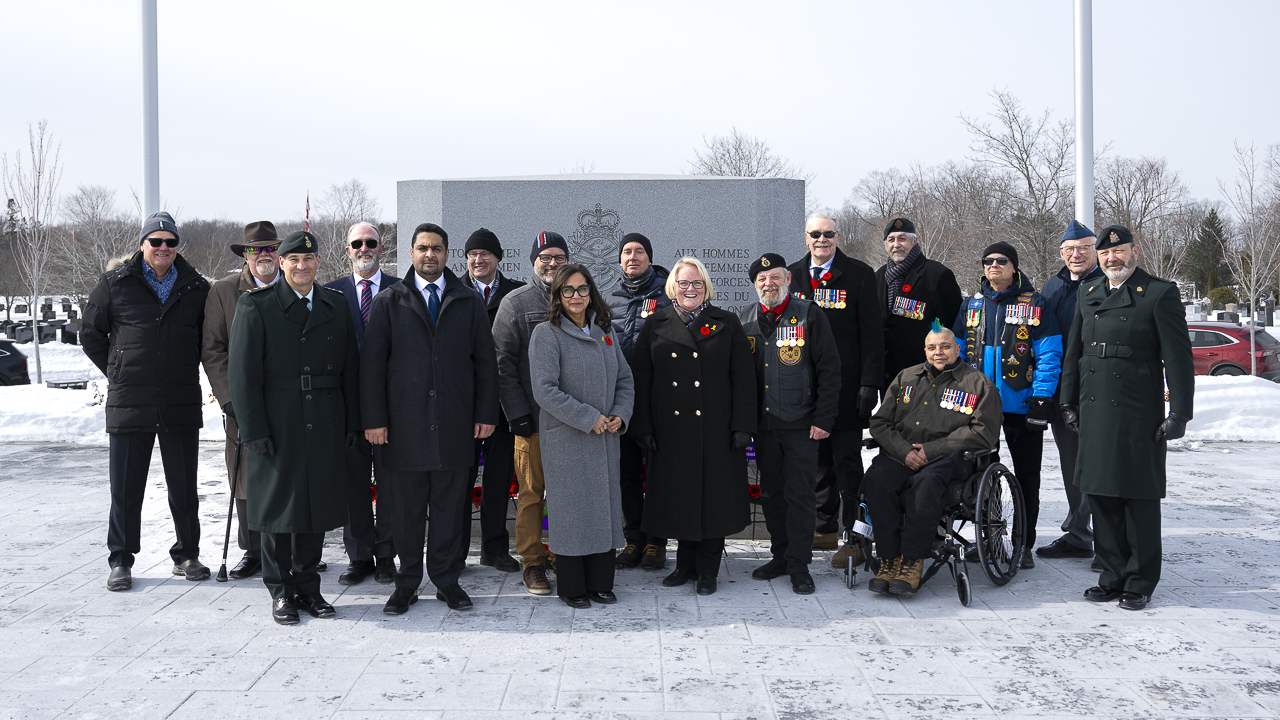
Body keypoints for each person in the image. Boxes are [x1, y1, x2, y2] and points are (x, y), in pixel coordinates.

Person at [360, 223, 498, 614]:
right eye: (423, 248)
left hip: (455, 425)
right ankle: (406, 583)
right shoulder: (390, 301)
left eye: (437, 248)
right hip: (404, 429)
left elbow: (485, 363)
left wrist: (486, 412)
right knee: (405, 513)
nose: (429, 254)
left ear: (447, 254)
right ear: (411, 253)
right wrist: (374, 420)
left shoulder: (467, 301)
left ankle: (446, 580)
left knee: (449, 510)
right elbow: (372, 367)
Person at [228, 230, 359, 625]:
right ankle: (281, 591)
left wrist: (352, 421)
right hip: (278, 421)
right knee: (278, 513)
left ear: (318, 262)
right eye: (294, 260)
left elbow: (351, 368)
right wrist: (253, 428)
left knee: (315, 510)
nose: (302, 266)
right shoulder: (256, 305)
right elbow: (242, 375)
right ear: (282, 263)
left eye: (309, 259)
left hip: (325, 419)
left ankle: (308, 588)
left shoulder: (336, 304)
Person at [1060, 225, 1194, 611]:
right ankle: (1111, 574)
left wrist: (1180, 413)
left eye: (1118, 252)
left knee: (1138, 497)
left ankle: (1140, 580)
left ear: (1135, 252)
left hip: (1138, 411)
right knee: (1101, 495)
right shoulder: (1089, 292)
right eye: (1105, 254)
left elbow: (1178, 359)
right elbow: (1075, 352)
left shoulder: (1159, 293)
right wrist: (1068, 401)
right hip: (1094, 407)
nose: (1111, 258)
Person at [81, 211, 212, 591]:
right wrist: (119, 369)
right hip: (130, 401)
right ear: (142, 244)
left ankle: (187, 554)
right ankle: (121, 560)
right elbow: (90, 334)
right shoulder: (115, 284)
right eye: (156, 241)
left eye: (171, 242)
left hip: (179, 399)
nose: (163, 248)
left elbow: (208, 341)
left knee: (184, 487)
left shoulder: (196, 288)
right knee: (125, 488)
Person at [630, 257, 756, 595]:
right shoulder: (656, 323)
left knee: (713, 500)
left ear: (706, 288)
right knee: (680, 498)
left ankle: (708, 570)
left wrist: (743, 425)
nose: (690, 289)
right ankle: (685, 565)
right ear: (672, 287)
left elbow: (744, 378)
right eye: (684, 283)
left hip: (716, 430)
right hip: (671, 432)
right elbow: (641, 379)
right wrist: (643, 427)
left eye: (697, 283)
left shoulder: (726, 322)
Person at [863, 323, 1001, 596]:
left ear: (958, 349)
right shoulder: (906, 377)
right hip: (902, 454)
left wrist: (932, 450)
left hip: (949, 459)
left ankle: (912, 562)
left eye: (945, 346)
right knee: (877, 479)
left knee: (927, 482)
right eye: (932, 347)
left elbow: (984, 433)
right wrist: (904, 451)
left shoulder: (978, 384)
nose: (939, 352)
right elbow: (879, 422)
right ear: (925, 351)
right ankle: (889, 560)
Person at [952, 241, 1062, 570]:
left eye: (1001, 260)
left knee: (1026, 476)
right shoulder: (971, 305)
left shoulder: (1035, 303)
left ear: (1014, 266)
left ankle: (1022, 544)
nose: (994, 265)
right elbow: (955, 351)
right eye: (988, 261)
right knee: (982, 475)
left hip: (1021, 404)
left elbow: (1049, 354)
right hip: (980, 406)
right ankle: (990, 539)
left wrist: (1042, 398)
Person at [529, 264, 634, 608]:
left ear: (592, 292)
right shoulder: (547, 334)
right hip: (568, 439)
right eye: (568, 290)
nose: (576, 296)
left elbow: (625, 379)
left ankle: (601, 583)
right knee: (573, 515)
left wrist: (620, 413)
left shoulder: (605, 331)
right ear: (558, 295)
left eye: (582, 289)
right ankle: (572, 587)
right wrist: (590, 418)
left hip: (605, 439)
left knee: (603, 511)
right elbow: (545, 390)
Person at [739, 253, 841, 595]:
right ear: (756, 285)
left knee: (800, 495)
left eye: (775, 277)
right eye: (762, 280)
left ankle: (799, 564)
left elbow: (829, 369)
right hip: (764, 425)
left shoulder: (810, 314)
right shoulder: (745, 320)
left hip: (801, 423)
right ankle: (780, 556)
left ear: (788, 280)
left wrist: (824, 417)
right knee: (771, 493)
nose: (769, 284)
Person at [786, 214, 884, 559]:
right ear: (806, 238)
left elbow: (872, 335)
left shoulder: (859, 274)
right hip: (805, 388)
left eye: (828, 233)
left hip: (846, 387)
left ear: (838, 237)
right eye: (815, 233)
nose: (822, 239)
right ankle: (823, 528)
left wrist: (870, 383)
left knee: (847, 462)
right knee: (818, 461)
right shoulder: (793, 275)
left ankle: (855, 535)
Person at [201, 220, 282, 581]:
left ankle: (293, 547)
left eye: (270, 248)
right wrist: (229, 398)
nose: (264, 255)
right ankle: (253, 551)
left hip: (289, 401)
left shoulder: (296, 285)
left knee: (289, 474)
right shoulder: (224, 291)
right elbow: (213, 350)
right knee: (247, 477)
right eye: (256, 249)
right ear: (246, 255)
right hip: (243, 403)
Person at [492, 231, 570, 596]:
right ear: (533, 262)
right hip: (533, 420)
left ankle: (568, 555)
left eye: (559, 257)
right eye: (545, 257)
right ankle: (533, 562)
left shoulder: (579, 298)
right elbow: (501, 364)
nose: (552, 263)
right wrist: (517, 413)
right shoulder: (516, 303)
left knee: (570, 493)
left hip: (573, 422)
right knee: (531, 495)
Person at [324, 221, 401, 587]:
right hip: (346, 408)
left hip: (393, 407)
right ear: (347, 250)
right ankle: (359, 557)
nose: (364, 248)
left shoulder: (401, 291)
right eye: (357, 243)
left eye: (371, 242)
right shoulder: (330, 293)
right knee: (352, 485)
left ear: (381, 248)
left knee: (390, 484)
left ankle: (386, 555)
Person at [1036, 220, 1105, 563]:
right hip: (1060, 391)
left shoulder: (1108, 284)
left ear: (1095, 251)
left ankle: (1105, 541)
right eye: (1069, 249)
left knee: (1099, 466)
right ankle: (1079, 537)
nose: (1076, 254)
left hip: (1097, 389)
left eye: (1083, 248)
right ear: (1061, 253)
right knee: (1072, 467)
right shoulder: (1053, 285)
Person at [459, 227, 525, 573]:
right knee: (459, 481)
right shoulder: (452, 291)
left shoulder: (516, 294)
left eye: (485, 253)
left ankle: (495, 549)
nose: (478, 259)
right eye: (472, 254)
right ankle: (455, 551)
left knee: (499, 480)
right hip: (463, 405)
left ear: (498, 257)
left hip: (502, 404)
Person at [607, 232, 673, 570]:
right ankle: (633, 538)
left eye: (639, 251)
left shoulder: (667, 296)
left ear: (650, 257)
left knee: (659, 473)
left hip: (656, 402)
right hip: (620, 402)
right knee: (626, 473)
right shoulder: (608, 298)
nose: (632, 257)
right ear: (620, 259)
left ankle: (656, 542)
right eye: (627, 252)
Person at [874, 218, 963, 387]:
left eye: (902, 239)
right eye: (891, 240)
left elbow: (954, 329)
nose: (896, 245)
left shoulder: (937, 275)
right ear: (885, 244)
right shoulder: (878, 277)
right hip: (888, 377)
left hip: (927, 376)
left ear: (914, 241)